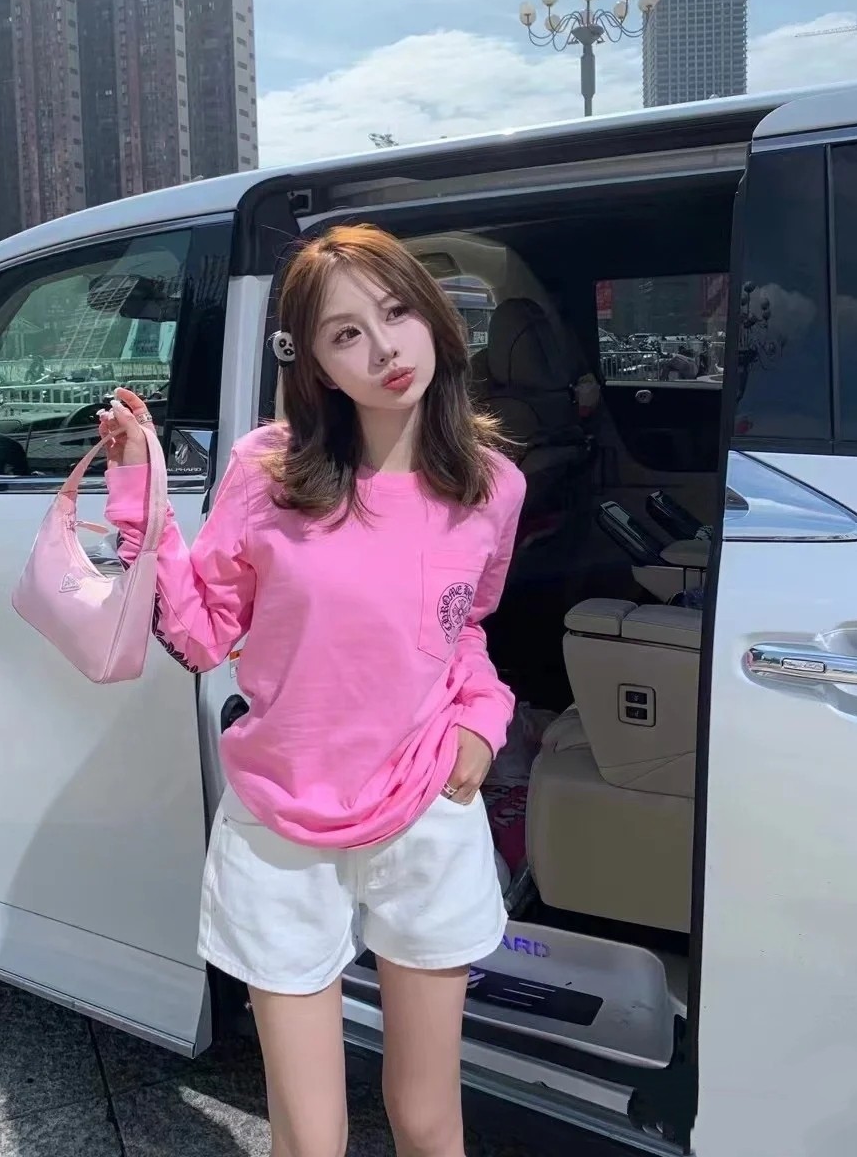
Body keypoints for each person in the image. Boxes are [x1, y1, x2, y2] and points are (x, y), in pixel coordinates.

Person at [96, 224, 526, 1157]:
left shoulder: (491, 484)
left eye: (397, 313)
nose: (383, 349)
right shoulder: (270, 471)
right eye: (345, 334)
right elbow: (202, 633)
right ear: (317, 363)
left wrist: (482, 724)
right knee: (310, 1136)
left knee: (429, 1118)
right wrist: (139, 495)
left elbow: (464, 628)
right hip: (283, 819)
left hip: (427, 806)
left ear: (434, 315)